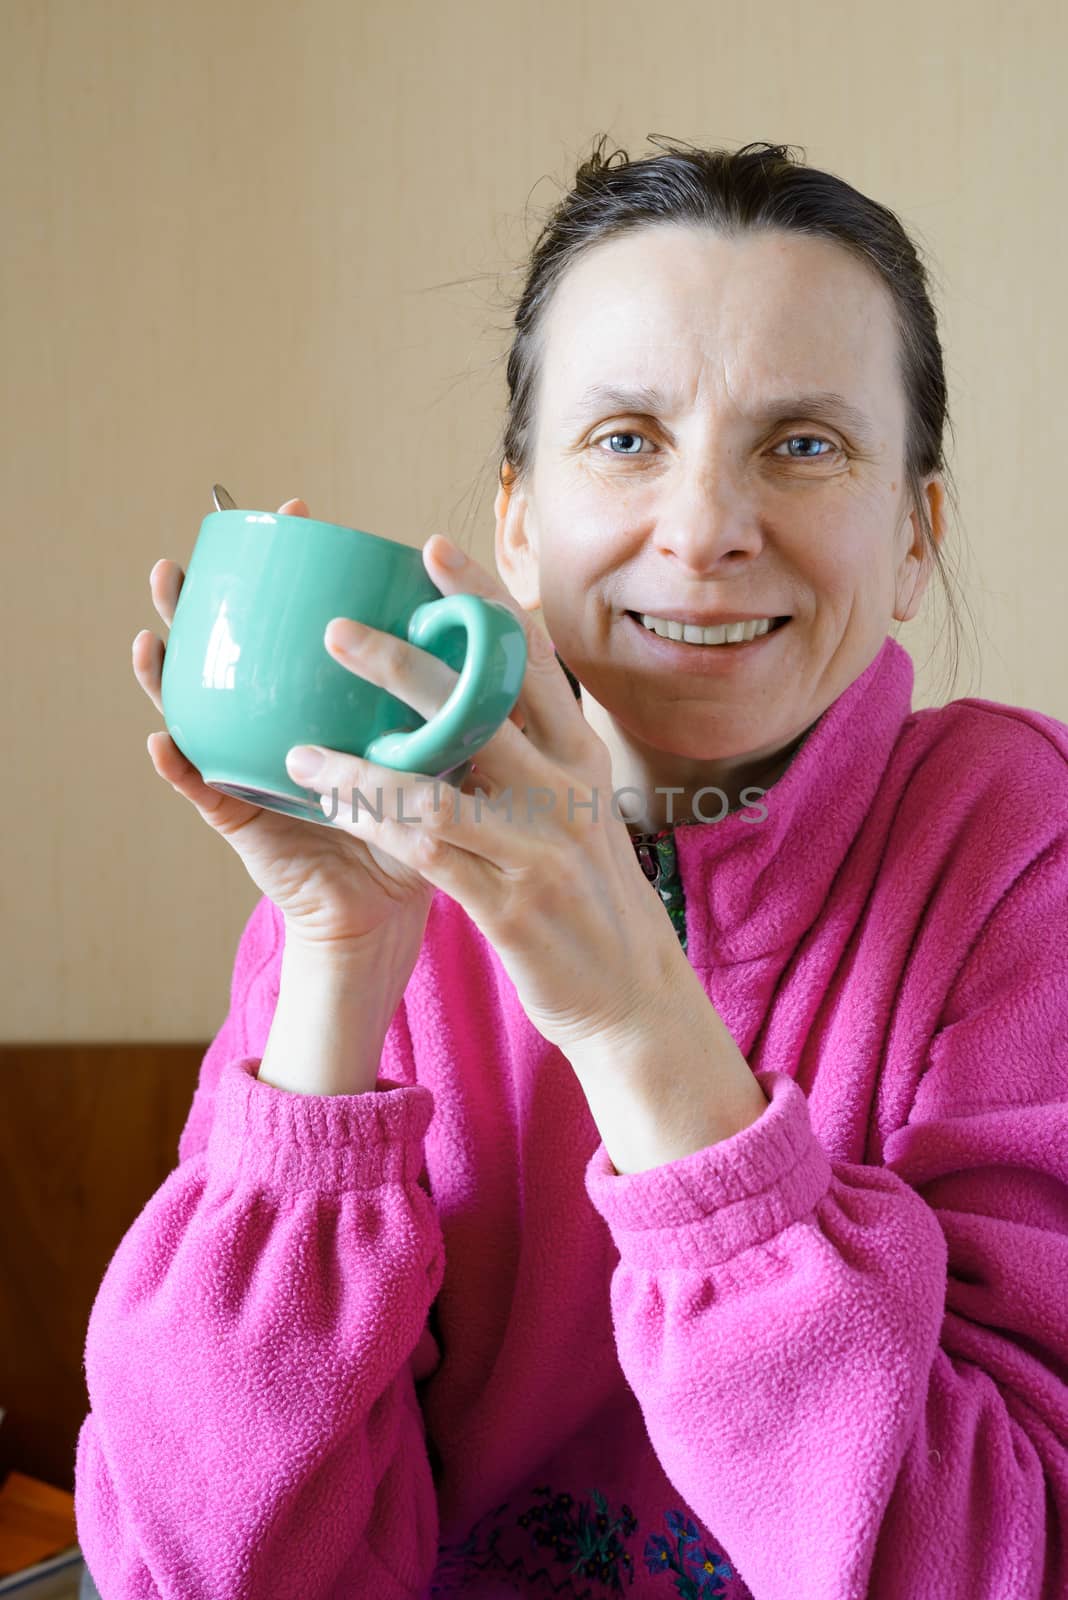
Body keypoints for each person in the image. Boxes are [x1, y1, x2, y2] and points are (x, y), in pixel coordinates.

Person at [75, 137, 1068, 1599]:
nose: (707, 531)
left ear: (914, 534)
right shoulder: (379, 864)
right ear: (519, 526)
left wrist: (637, 1028)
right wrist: (336, 970)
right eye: (625, 440)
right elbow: (208, 1570)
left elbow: (996, 1558)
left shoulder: (1012, 845)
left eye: (804, 445)